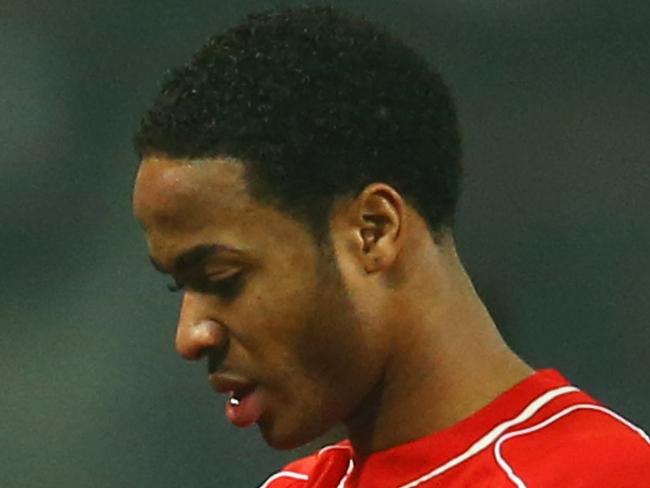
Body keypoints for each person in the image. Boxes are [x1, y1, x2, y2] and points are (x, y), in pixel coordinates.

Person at [131, 5, 650, 487]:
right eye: (181, 286)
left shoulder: (601, 474)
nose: (190, 336)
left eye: (223, 278)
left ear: (373, 231)